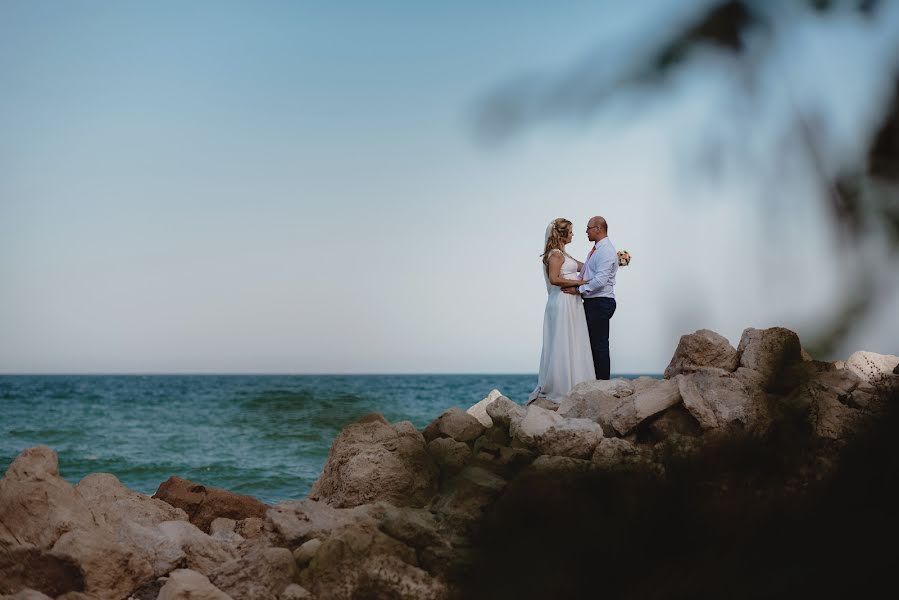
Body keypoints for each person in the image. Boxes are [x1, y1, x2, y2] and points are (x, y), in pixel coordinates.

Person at [529, 218, 596, 403]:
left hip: (571, 302)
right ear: (562, 233)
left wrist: (613, 260)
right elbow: (554, 279)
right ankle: (561, 387)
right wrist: (579, 282)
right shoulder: (555, 255)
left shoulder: (565, 254)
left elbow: (586, 267)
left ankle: (576, 382)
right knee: (563, 342)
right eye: (571, 231)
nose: (573, 235)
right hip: (562, 301)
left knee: (573, 341)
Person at [564, 215, 617, 380]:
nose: (586, 231)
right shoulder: (597, 250)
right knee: (593, 343)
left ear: (598, 229)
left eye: (588, 228)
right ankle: (595, 379)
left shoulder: (606, 251)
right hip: (594, 301)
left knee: (599, 344)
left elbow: (600, 281)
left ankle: (602, 382)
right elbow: (587, 270)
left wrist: (579, 289)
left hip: (600, 302)